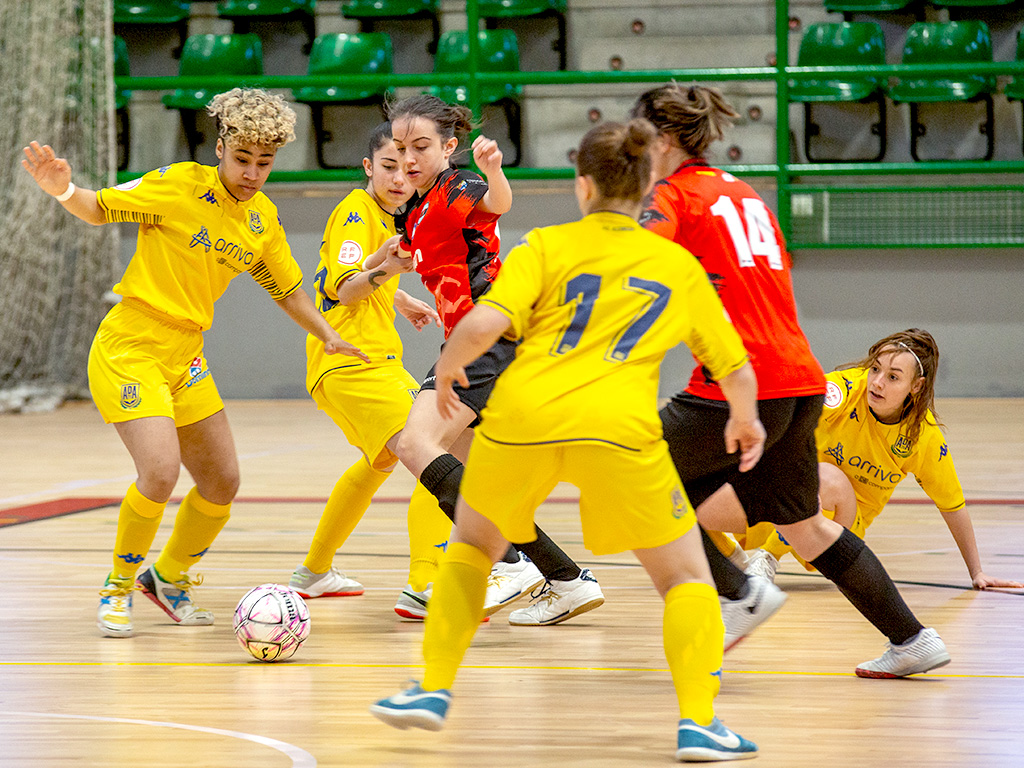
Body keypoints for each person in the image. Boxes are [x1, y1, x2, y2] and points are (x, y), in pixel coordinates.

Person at [371, 119, 762, 762]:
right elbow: (735, 367)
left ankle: (431, 688)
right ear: (648, 188)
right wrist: (744, 418)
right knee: (686, 576)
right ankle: (699, 723)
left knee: (472, 546)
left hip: (522, 421)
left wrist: (446, 368)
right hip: (619, 433)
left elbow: (483, 322)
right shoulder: (676, 264)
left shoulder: (545, 246)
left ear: (582, 187)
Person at [21, 88, 367, 638]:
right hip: (132, 344)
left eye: (264, 163)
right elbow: (97, 207)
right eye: (243, 159)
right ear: (221, 148)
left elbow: (288, 290)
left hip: (186, 355)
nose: (253, 173)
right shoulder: (179, 185)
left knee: (221, 482)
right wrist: (62, 188)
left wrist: (327, 332)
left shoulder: (263, 220)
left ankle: (169, 577)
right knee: (158, 473)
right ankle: (116, 587)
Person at [632, 83, 951, 678]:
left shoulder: (672, 195)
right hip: (801, 379)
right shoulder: (747, 195)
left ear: (666, 140)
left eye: (640, 138)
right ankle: (913, 639)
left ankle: (736, 594)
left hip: (741, 383)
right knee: (803, 526)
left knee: (634, 473)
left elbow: (633, 269)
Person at [386, 94, 605, 625]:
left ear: (449, 147)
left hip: (486, 333)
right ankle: (568, 581)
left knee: (414, 443)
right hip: (472, 339)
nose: (409, 159)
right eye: (399, 148)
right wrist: (387, 278)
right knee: (474, 479)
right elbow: (414, 254)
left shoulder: (459, 185)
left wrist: (493, 171)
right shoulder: (412, 209)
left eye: (421, 147)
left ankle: (510, 566)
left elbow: (497, 205)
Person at [288, 122, 456, 619]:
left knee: (381, 461)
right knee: (434, 451)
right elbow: (343, 286)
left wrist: (399, 297)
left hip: (375, 361)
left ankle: (314, 573)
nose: (399, 178)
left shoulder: (382, 219)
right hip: (351, 364)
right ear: (367, 167)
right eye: (388, 167)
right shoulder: (356, 212)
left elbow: (349, 276)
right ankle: (425, 584)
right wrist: (388, 274)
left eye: (408, 169)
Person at [725, 329, 1023, 591]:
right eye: (875, 369)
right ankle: (733, 557)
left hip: (838, 531)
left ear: (916, 386)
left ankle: (767, 558)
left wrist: (977, 571)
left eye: (893, 377)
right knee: (703, 510)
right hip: (790, 499)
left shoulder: (923, 437)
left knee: (827, 477)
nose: (877, 382)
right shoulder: (844, 390)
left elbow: (952, 506)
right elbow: (782, 414)